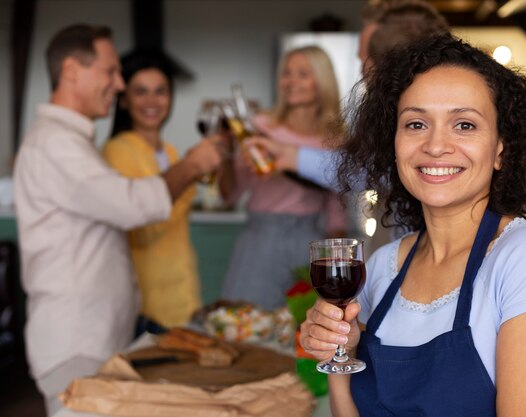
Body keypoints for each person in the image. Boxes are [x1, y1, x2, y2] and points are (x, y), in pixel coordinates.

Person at [299, 34, 526, 416]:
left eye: (464, 125)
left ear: (501, 148)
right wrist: (339, 350)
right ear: (395, 143)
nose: (436, 146)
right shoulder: (383, 268)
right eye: (416, 123)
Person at [13, 24, 222, 416]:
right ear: (73, 70)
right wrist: (192, 165)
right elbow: (131, 205)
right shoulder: (55, 143)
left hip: (94, 341)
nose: (120, 83)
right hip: (75, 346)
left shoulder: (71, 141)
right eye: (110, 71)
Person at [245, 0, 450, 192]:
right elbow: (370, 171)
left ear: (395, 62)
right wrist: (291, 156)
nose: (362, 70)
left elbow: (373, 173)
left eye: (367, 58)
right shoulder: (396, 118)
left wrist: (292, 157)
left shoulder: (427, 120)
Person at [218, 45, 348, 310]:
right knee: (242, 322)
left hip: (310, 241)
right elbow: (229, 195)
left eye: (302, 74)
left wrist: (337, 266)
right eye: (286, 73)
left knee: (304, 329)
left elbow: (337, 211)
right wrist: (225, 154)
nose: (291, 82)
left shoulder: (335, 138)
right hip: (260, 241)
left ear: (321, 80)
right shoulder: (259, 127)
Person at [102, 50, 201, 330]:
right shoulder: (117, 151)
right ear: (123, 99)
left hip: (182, 298)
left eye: (160, 91)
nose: (152, 101)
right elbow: (142, 232)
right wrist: (189, 172)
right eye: (140, 92)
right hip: (146, 307)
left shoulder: (170, 152)